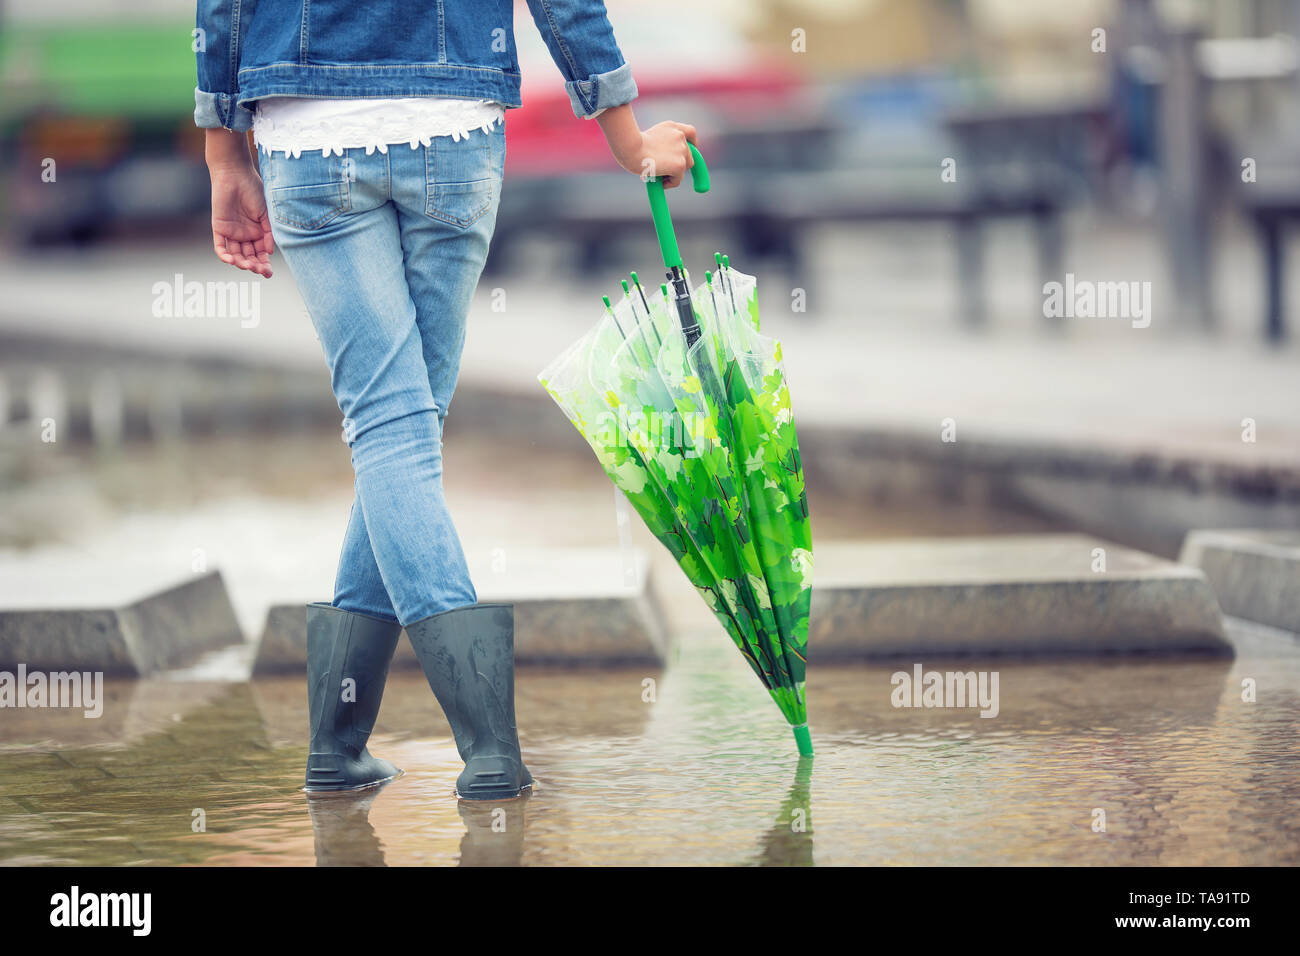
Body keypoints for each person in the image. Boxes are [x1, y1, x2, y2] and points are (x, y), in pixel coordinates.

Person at [194, 0, 697, 800]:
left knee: (394, 430)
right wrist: (628, 139)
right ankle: (489, 749)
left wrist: (224, 155)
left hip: (306, 135)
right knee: (403, 429)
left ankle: (338, 743)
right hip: (451, 130)